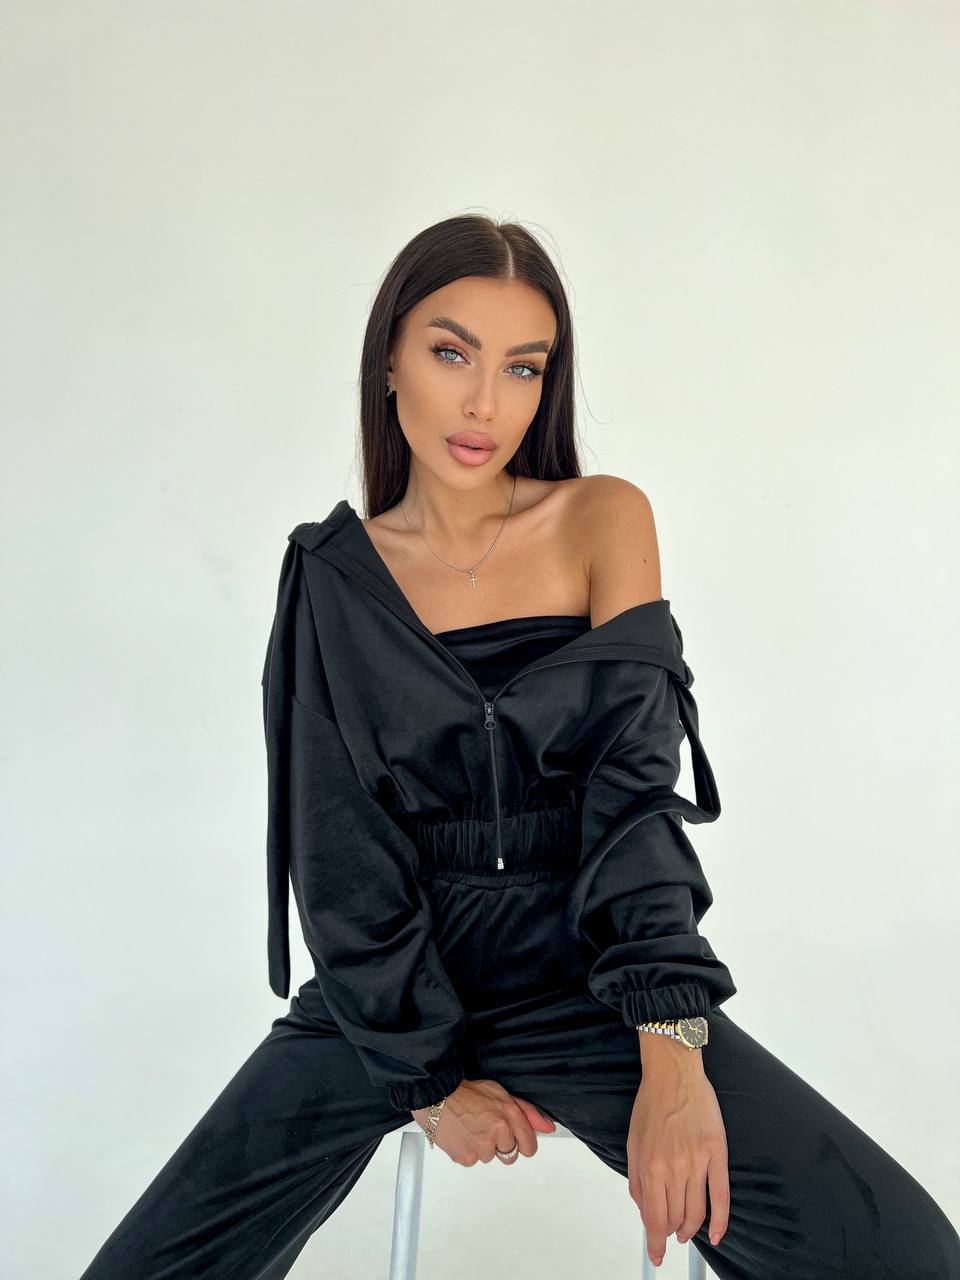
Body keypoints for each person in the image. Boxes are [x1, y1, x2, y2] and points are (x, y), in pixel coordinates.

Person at [79, 214, 960, 1279]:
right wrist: (427, 1082)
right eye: (452, 353)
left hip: (585, 975)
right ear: (389, 362)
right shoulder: (331, 579)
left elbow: (635, 791)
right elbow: (338, 849)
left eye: (523, 367)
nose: (485, 404)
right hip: (393, 989)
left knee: (905, 1255)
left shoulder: (601, 520)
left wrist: (672, 1052)